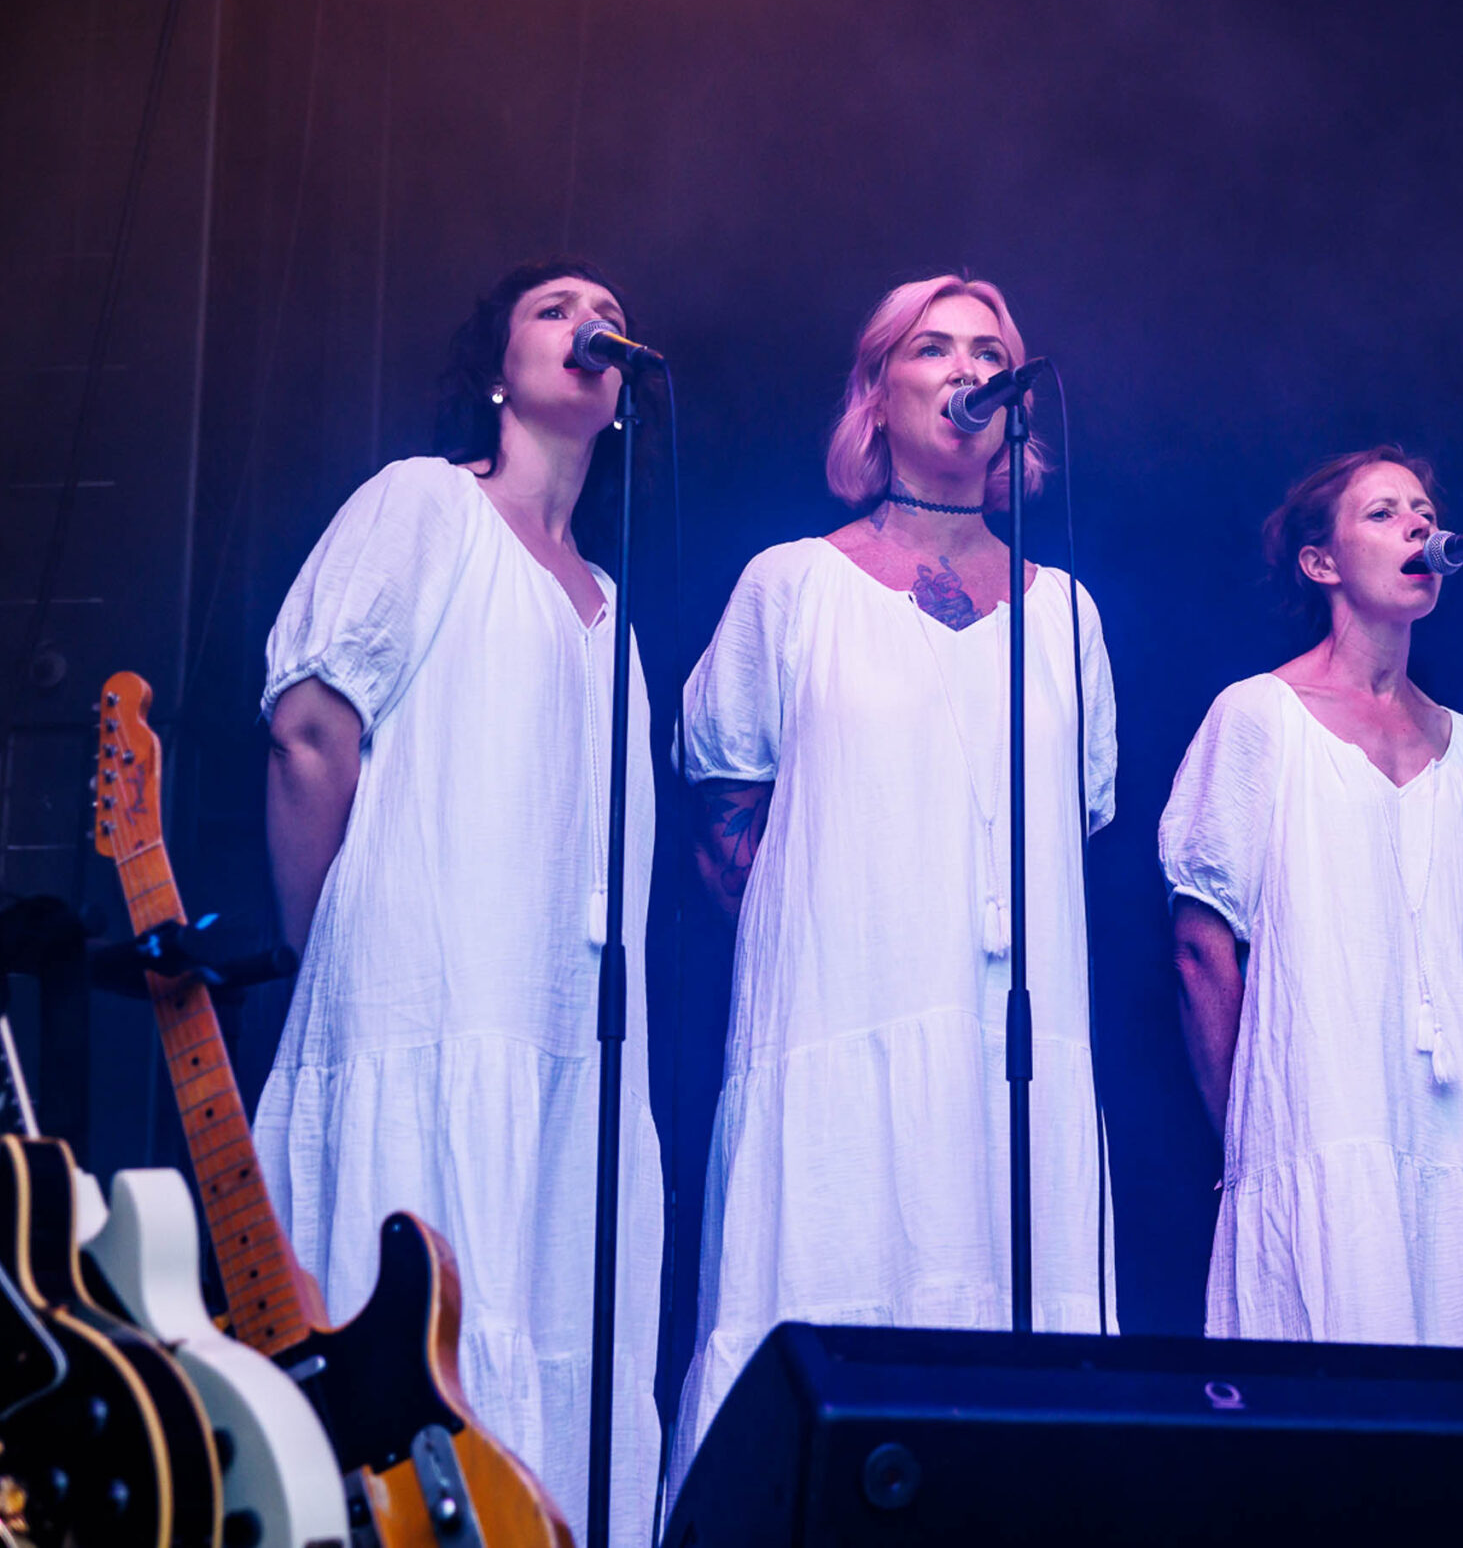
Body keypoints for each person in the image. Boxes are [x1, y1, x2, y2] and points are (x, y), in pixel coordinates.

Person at [669, 274, 1116, 1480]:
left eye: (991, 350)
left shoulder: (1065, 612)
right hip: (839, 1025)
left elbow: (1067, 834)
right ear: (878, 392)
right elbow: (730, 815)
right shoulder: (790, 584)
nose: (967, 368)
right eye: (935, 347)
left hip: (1010, 1050)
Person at [259, 258, 663, 1548]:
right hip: (420, 1002)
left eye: (602, 312)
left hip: (561, 1060)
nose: (585, 323)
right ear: (497, 373)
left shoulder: (617, 612)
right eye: (551, 309)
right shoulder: (426, 506)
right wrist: (328, 950)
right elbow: (313, 727)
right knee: (414, 1364)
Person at [1161, 447, 1463, 1347]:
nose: (1419, 524)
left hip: (1462, 1141)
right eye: (1383, 512)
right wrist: (1255, 1140)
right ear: (1320, 562)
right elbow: (1199, 948)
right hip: (1318, 1130)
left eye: (1422, 508)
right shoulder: (1257, 716)